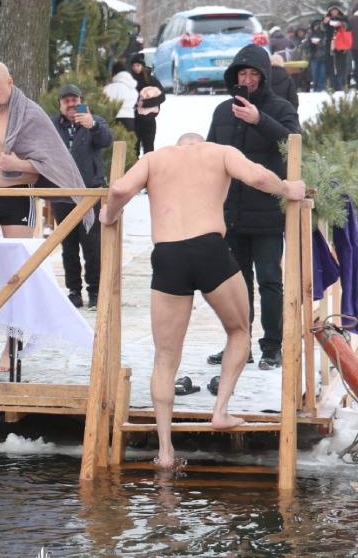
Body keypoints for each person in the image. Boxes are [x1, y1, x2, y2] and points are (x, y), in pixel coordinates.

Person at [99, 132, 306, 470]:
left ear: (178, 144)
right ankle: (221, 411)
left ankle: (165, 451)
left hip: (167, 255)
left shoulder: (155, 158)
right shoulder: (219, 152)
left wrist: (110, 214)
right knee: (239, 330)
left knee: (165, 356)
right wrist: (287, 188)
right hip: (210, 250)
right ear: (197, 143)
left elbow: (120, 189)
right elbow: (256, 176)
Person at [205, 44, 301, 370]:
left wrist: (260, 120)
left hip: (268, 212)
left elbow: (293, 143)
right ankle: (239, 345)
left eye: (253, 74)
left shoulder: (281, 107)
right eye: (241, 74)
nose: (247, 80)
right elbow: (209, 157)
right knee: (236, 281)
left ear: (263, 76)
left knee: (270, 280)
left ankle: (272, 345)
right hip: (230, 212)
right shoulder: (222, 111)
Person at [0, 61, 90, 239]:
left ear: (10, 82)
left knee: (21, 263)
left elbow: (52, 161)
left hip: (17, 196)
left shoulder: (31, 114)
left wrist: (19, 165)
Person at [51, 85, 113, 309]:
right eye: (66, 100)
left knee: (92, 244)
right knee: (68, 244)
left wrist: (93, 126)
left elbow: (107, 140)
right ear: (60, 104)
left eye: (75, 99)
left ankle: (95, 291)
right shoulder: (51, 125)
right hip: (61, 193)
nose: (71, 104)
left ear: (81, 101)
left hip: (90, 192)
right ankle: (74, 291)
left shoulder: (94, 121)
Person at [129, 53, 165, 155]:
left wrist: (145, 104)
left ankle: (149, 170)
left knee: (148, 150)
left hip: (148, 119)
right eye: (133, 66)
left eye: (138, 65)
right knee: (133, 150)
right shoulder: (130, 81)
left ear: (143, 66)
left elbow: (162, 97)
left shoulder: (151, 80)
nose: (136, 68)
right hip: (134, 119)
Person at [323, 3, 352, 92]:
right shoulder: (326, 19)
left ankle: (344, 84)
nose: (334, 12)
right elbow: (322, 29)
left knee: (342, 65)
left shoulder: (344, 19)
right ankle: (330, 85)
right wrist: (325, 22)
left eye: (335, 10)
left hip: (341, 45)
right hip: (330, 45)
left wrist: (341, 24)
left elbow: (348, 28)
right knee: (330, 65)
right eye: (332, 11)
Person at [103, 61, 138, 133]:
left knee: (115, 143)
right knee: (127, 144)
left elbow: (103, 102)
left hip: (114, 119)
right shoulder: (132, 87)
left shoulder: (110, 88)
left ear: (114, 73)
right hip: (130, 119)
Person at [304, 18, 327, 93]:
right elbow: (306, 46)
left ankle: (321, 88)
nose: (316, 27)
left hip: (324, 57)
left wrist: (320, 42)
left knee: (322, 74)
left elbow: (328, 45)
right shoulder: (310, 35)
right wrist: (310, 43)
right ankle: (316, 88)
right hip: (314, 57)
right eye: (315, 26)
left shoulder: (325, 34)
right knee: (315, 74)